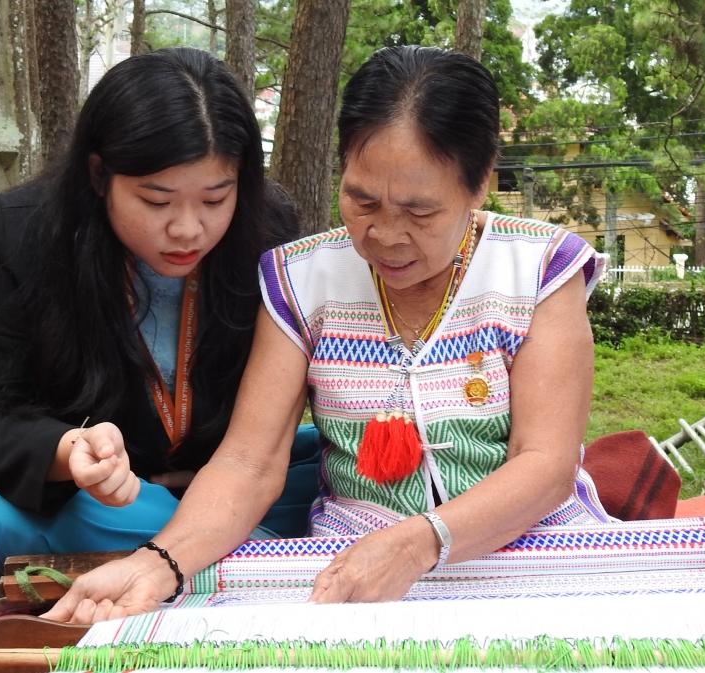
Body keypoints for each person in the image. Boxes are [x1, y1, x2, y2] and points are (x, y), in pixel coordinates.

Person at [42, 45, 611, 624]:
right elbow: (248, 463)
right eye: (362, 200)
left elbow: (545, 463)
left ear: (479, 184)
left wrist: (421, 542)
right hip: (350, 565)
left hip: (534, 557)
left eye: (420, 212)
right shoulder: (301, 279)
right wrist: (155, 564)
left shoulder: (540, 268)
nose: (385, 235)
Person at [0, 48, 318, 577]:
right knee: (33, 517)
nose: (188, 229)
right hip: (87, 498)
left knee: (341, 466)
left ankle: (217, 541)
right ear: (99, 175)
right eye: (157, 201)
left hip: (220, 478)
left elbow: (264, 447)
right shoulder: (22, 234)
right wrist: (71, 451)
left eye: (215, 200)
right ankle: (268, 561)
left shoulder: (267, 232)